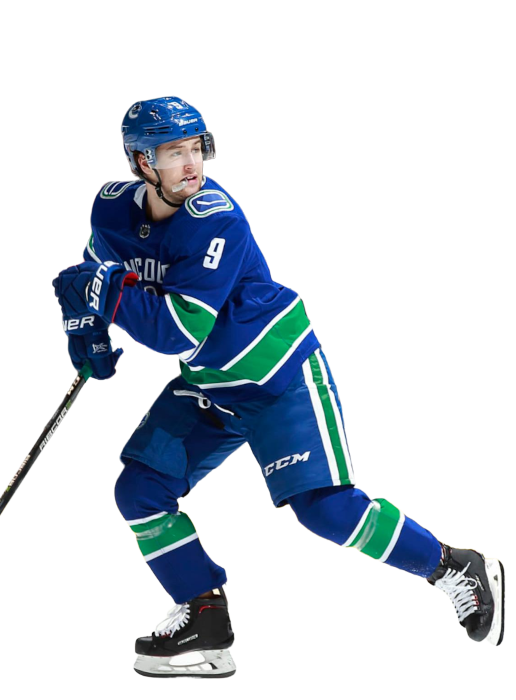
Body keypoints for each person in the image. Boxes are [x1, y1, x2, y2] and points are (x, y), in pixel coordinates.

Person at [51, 96, 506, 678]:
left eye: (196, 148)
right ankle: (204, 616)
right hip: (211, 383)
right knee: (140, 490)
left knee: (326, 510)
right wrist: (84, 324)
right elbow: (93, 270)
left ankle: (456, 568)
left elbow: (176, 330)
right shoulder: (112, 206)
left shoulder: (215, 217)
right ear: (142, 162)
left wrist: (105, 296)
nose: (191, 164)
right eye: (174, 153)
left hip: (277, 375)